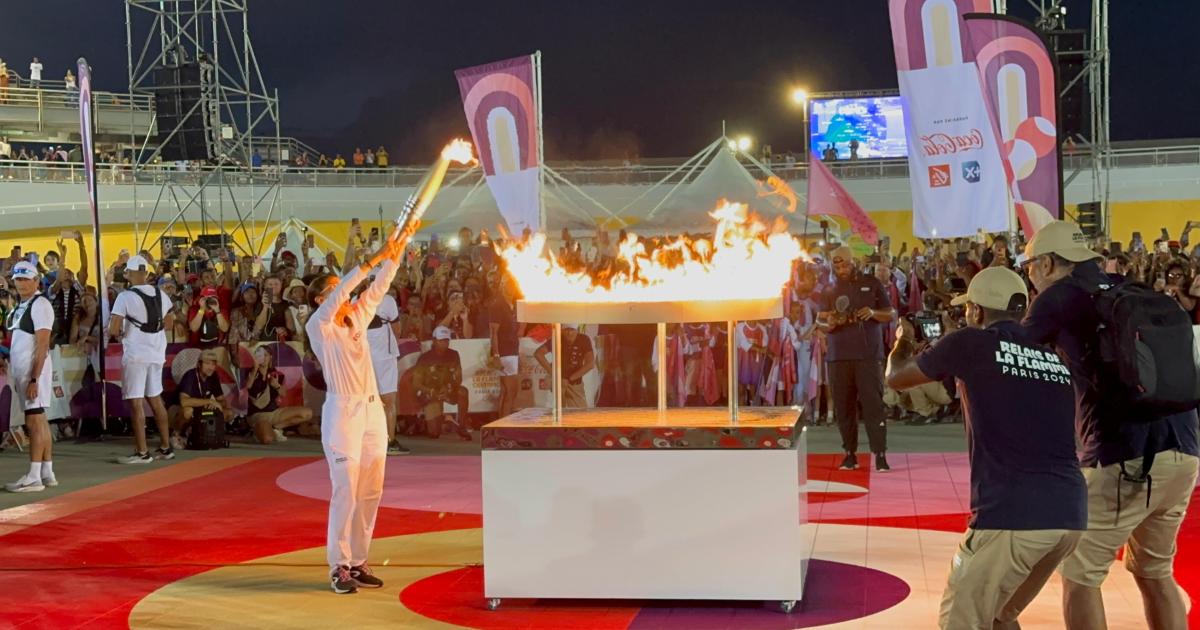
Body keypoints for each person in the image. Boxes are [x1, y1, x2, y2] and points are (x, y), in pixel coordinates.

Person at [1019, 221, 1200, 630]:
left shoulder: (1057, 297)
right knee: (1155, 571)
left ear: (1047, 263)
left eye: (1029, 266)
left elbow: (1010, 352)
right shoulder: (1124, 286)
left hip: (1124, 457)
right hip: (1185, 446)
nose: (1029, 276)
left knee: (1080, 573)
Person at [886, 267, 1086, 629]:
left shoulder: (968, 343)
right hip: (1068, 514)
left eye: (968, 309)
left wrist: (904, 339)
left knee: (960, 619)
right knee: (999, 614)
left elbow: (896, 378)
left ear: (977, 313)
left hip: (1012, 515)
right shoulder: (1051, 358)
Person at [305, 234, 404, 594]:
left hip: (371, 408)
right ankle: (339, 566)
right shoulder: (319, 326)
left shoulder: (357, 321)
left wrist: (397, 248)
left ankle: (359, 560)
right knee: (346, 488)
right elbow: (340, 295)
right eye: (334, 290)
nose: (345, 294)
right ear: (321, 299)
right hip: (342, 412)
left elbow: (380, 287)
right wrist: (367, 261)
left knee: (371, 489)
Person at [817, 246, 895, 472]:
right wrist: (831, 322)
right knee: (843, 407)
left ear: (855, 262)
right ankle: (849, 454)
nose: (841, 269)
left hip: (868, 356)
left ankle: (880, 454)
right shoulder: (829, 289)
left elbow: (890, 313)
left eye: (845, 265)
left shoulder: (872, 283)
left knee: (873, 405)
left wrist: (872, 313)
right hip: (838, 356)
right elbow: (820, 323)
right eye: (837, 266)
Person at [109, 255, 176, 464]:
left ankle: (142, 452)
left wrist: (122, 334)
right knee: (155, 399)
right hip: (156, 353)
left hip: (136, 355)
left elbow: (113, 329)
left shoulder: (124, 297)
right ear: (146, 273)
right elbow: (170, 323)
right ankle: (166, 447)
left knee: (135, 403)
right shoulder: (161, 294)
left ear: (128, 274)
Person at [4, 262, 57, 492]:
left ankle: (34, 476)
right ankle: (46, 471)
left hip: (33, 372)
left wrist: (35, 378)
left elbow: (43, 343)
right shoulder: (22, 306)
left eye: (26, 279)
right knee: (40, 420)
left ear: (37, 281)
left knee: (34, 421)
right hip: (25, 371)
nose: (21, 283)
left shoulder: (40, 304)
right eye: (18, 279)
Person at [361, 267, 410, 455]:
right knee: (389, 400)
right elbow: (398, 329)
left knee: (365, 400)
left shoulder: (357, 301)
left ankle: (368, 441)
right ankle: (390, 441)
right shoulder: (387, 300)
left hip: (363, 358)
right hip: (384, 357)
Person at [244, 345, 315, 444]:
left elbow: (283, 393)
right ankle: (258, 430)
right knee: (267, 439)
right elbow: (247, 386)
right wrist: (255, 368)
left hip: (274, 412)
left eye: (266, 355)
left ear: (270, 358)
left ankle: (276, 428)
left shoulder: (276, 374)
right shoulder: (250, 372)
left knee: (307, 413)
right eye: (260, 355)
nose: (263, 358)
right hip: (258, 414)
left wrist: (276, 385)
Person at [411, 326, 472, 439]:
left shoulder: (454, 355)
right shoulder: (425, 358)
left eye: (447, 340)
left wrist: (448, 388)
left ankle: (462, 426)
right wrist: (431, 391)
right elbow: (416, 384)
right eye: (441, 340)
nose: (445, 343)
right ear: (434, 341)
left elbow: (459, 377)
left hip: (447, 390)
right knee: (434, 433)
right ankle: (425, 422)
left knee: (463, 392)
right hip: (430, 394)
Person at [174, 348, 233, 445]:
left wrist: (216, 404)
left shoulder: (213, 376)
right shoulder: (190, 375)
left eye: (213, 364)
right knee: (187, 411)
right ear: (199, 364)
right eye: (207, 363)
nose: (211, 367)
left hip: (200, 409)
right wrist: (209, 402)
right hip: (177, 409)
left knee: (229, 413)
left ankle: (210, 435)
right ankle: (177, 433)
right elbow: (184, 402)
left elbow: (223, 401)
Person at [535, 324, 595, 408]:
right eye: (567, 330)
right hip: (558, 381)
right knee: (559, 411)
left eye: (572, 330)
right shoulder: (557, 339)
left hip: (575, 382)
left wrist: (570, 379)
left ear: (577, 330)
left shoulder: (584, 339)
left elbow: (590, 364)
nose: (569, 333)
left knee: (580, 413)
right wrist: (555, 375)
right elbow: (538, 354)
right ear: (562, 330)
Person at [487, 275, 522, 417]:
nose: (512, 288)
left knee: (506, 391)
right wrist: (496, 356)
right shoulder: (498, 305)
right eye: (508, 284)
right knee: (511, 391)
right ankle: (505, 425)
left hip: (511, 352)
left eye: (514, 284)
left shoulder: (512, 305)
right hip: (505, 354)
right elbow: (493, 332)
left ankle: (501, 425)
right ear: (502, 285)